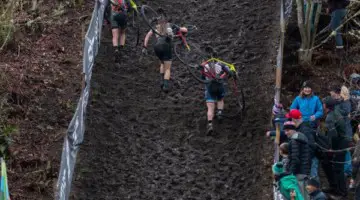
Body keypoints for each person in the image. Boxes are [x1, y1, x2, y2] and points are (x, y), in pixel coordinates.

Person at [142, 15, 188, 92]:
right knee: (167, 68)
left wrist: (144, 47)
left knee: (162, 63)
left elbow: (147, 36)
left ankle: (161, 81)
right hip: (166, 45)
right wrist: (184, 28)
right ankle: (166, 86)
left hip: (156, 46)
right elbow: (184, 30)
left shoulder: (155, 27)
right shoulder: (170, 25)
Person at [197, 60, 235, 134]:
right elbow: (229, 73)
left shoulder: (204, 66)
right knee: (220, 100)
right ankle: (219, 113)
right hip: (219, 86)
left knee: (210, 108)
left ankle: (210, 124)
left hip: (210, 88)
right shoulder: (221, 64)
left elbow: (202, 78)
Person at [321, 96, 348, 198]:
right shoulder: (335, 112)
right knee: (326, 163)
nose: (322, 105)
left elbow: (333, 136)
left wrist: (331, 148)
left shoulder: (330, 118)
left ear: (326, 106)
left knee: (338, 168)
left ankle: (341, 192)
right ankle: (333, 186)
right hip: (341, 141)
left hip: (340, 143)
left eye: (323, 103)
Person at [286, 109, 318, 182]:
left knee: (313, 180)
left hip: (310, 160)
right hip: (306, 160)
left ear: (294, 119)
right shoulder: (300, 128)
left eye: (290, 119)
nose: (289, 121)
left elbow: (311, 146)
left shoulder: (305, 130)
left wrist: (305, 159)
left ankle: (316, 193)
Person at [329, 85, 353, 179]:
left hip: (346, 131)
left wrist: (335, 108)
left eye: (332, 94)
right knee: (341, 151)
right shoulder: (338, 102)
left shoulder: (345, 102)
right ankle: (344, 169)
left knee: (346, 151)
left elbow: (345, 112)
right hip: (340, 131)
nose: (332, 95)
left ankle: (348, 170)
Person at [283, 121, 311, 199]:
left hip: (298, 172)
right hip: (305, 170)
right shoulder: (302, 137)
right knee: (305, 193)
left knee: (299, 194)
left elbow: (294, 158)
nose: (286, 133)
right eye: (285, 131)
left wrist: (290, 172)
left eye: (287, 130)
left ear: (293, 130)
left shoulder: (294, 140)